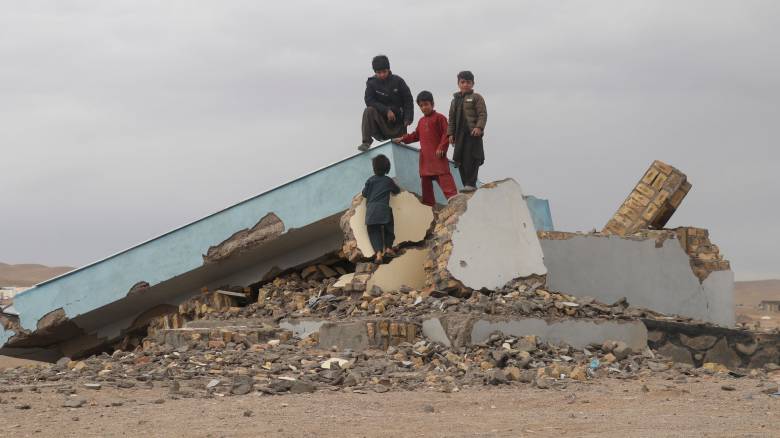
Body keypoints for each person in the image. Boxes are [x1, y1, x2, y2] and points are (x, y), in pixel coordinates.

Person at [393, 91, 458, 206]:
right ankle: (428, 208)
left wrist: (441, 147)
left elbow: (446, 134)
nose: (424, 107)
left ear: (432, 104)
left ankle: (456, 203)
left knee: (445, 181)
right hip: (426, 160)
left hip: (438, 158)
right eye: (421, 106)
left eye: (426, 104)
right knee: (426, 185)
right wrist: (402, 138)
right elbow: (415, 135)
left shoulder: (440, 118)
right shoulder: (421, 121)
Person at [359, 55, 414, 152]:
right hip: (382, 125)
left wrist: (408, 118)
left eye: (384, 72)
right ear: (375, 72)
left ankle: (401, 141)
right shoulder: (371, 84)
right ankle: (366, 142)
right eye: (379, 73)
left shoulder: (398, 81)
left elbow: (408, 100)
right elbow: (369, 100)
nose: (382, 75)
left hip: (398, 125)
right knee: (368, 110)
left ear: (388, 69)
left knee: (401, 149)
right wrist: (386, 110)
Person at [447, 70, 487, 192]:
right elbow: (451, 119)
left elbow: (482, 114)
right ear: (458, 83)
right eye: (462, 82)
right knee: (460, 160)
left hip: (472, 135)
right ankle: (465, 185)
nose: (465, 85)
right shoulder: (454, 101)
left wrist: (479, 127)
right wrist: (450, 134)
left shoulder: (476, 98)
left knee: (472, 158)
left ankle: (471, 183)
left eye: (468, 82)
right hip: (459, 136)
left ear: (473, 84)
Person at [362, 154, 400, 263]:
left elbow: (364, 194)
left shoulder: (370, 180)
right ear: (387, 168)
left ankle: (378, 254)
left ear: (374, 168)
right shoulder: (388, 181)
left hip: (371, 211)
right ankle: (388, 247)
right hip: (383, 209)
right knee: (389, 228)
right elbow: (396, 191)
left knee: (374, 232)